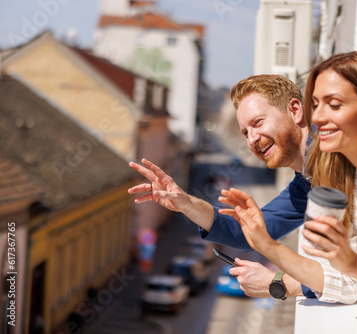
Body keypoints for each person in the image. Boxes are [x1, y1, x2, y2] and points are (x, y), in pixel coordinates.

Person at [128, 74, 312, 296]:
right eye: (245, 132)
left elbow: (353, 275)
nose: (252, 139)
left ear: (295, 110)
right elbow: (247, 234)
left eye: (258, 123)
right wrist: (185, 203)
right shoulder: (304, 184)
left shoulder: (337, 163)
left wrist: (279, 284)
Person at [219, 51, 357, 303]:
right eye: (316, 104)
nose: (319, 117)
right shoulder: (342, 177)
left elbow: (356, 282)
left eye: (334, 104)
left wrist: (273, 266)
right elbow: (355, 278)